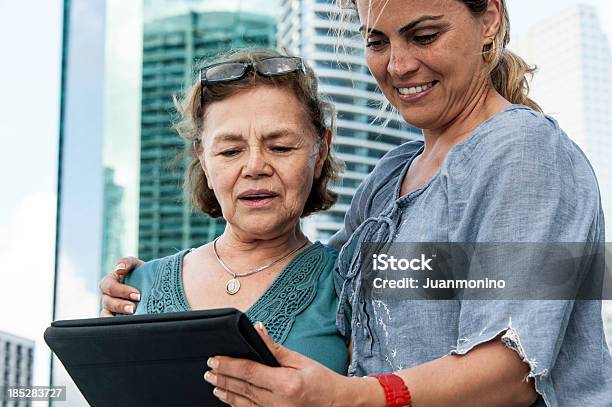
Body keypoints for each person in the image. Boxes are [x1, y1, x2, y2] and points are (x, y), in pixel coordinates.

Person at [101, 0, 612, 405]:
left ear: (490, 20)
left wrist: (351, 398)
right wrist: (153, 293)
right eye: (377, 40)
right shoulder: (391, 177)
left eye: (424, 35)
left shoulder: (526, 151)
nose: (399, 64)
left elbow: (513, 367)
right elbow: (309, 274)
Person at [99, 48, 350, 374]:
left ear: (320, 152)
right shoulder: (133, 288)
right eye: (230, 151)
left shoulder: (352, 283)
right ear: (203, 160)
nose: (255, 166)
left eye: (280, 147)